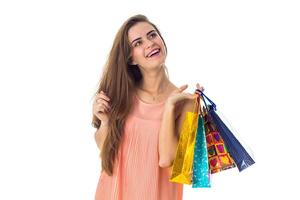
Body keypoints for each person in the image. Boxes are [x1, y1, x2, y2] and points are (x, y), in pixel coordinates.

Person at [92, 14, 204, 200]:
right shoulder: (121, 94)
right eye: (138, 43)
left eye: (152, 35)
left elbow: (168, 159)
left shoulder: (186, 102)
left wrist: (168, 109)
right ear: (131, 59)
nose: (149, 43)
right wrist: (104, 123)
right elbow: (106, 149)